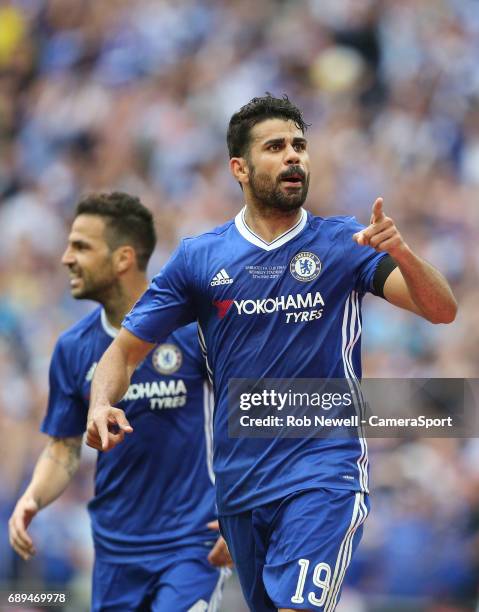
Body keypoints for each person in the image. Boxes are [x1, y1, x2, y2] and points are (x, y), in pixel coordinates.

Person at [86, 96, 457, 612]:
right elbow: (122, 353)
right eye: (276, 147)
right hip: (241, 489)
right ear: (239, 167)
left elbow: (441, 310)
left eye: (300, 146)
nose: (293, 158)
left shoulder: (343, 242)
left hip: (324, 470)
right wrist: (101, 404)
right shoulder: (201, 258)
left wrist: (402, 252)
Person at [8, 192, 231, 612]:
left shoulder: (191, 331)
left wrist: (243, 506)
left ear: (123, 258)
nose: (65, 258)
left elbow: (246, 414)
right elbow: (63, 448)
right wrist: (32, 498)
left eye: (81, 247)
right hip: (114, 554)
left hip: (191, 545)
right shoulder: (72, 348)